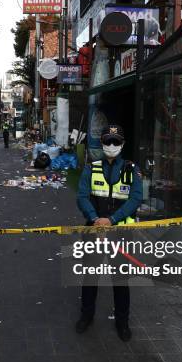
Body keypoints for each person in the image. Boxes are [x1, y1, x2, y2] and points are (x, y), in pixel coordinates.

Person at [75, 124, 142, 341]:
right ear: (102, 143)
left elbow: (135, 199)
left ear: (122, 144)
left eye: (116, 142)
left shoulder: (132, 170)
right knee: (90, 277)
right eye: (108, 141)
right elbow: (82, 196)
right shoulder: (91, 168)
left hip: (120, 233)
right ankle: (87, 316)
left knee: (121, 280)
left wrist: (111, 220)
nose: (111, 145)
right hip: (94, 231)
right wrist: (95, 218)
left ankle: (122, 322)